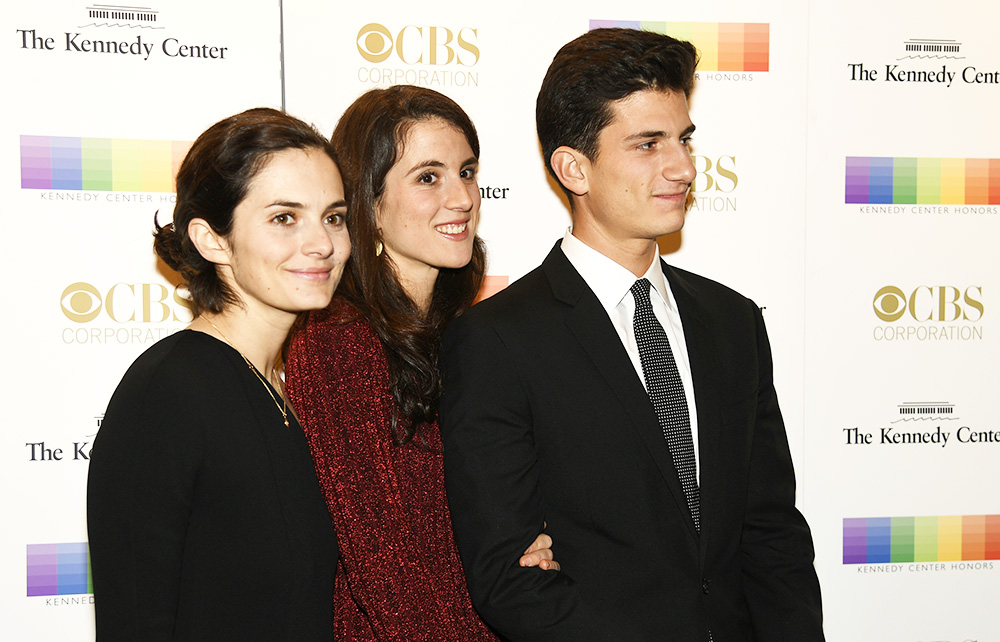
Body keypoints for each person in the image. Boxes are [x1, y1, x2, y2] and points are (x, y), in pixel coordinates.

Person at [439, 28, 825, 641]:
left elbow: (772, 532)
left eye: (684, 139)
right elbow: (510, 580)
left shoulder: (733, 321)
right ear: (574, 168)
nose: (684, 167)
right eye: (648, 144)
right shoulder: (496, 342)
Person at [285, 85, 557, 641]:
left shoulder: (470, 333)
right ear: (370, 203)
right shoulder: (336, 343)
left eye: (467, 172)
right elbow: (385, 564)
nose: (462, 198)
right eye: (428, 177)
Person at [86, 107, 348, 641]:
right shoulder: (169, 390)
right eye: (284, 218)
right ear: (212, 240)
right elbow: (134, 619)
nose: (322, 243)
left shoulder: (286, 386)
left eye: (334, 217)